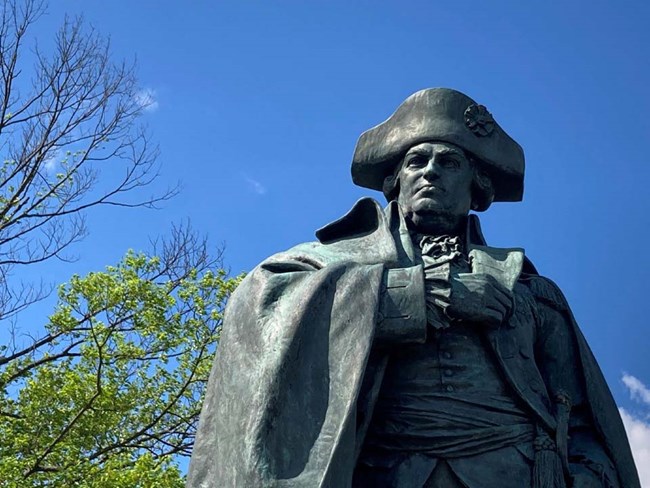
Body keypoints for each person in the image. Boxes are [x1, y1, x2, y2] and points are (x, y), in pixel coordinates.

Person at [187, 88, 640, 488]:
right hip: (383, 469)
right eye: (416, 161)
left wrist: (585, 476)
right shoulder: (330, 264)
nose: (430, 172)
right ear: (396, 183)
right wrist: (420, 296)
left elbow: (581, 418)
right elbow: (261, 302)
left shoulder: (532, 293)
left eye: (449, 162)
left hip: (514, 468)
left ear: (476, 185)